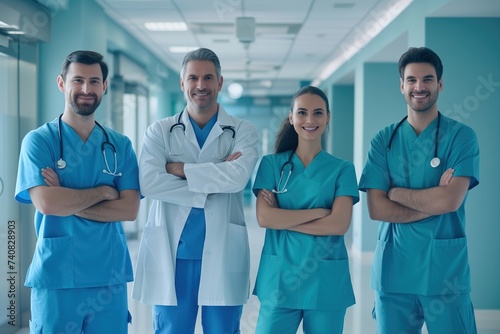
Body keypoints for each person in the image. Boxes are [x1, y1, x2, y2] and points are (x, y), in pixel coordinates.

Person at [132, 47, 258, 334]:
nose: (201, 85)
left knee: (223, 330)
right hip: (172, 255)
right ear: (182, 83)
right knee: (171, 330)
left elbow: (237, 179)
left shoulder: (242, 130)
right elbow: (150, 183)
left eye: (208, 78)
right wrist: (214, 180)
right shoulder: (159, 131)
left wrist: (179, 169)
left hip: (223, 250)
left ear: (220, 82)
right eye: (193, 78)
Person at [14, 50, 141, 333]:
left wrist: (67, 199)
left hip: (108, 277)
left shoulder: (120, 145)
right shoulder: (39, 142)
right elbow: (47, 204)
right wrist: (102, 192)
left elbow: (129, 210)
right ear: (62, 83)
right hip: (57, 276)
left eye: (94, 81)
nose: (86, 89)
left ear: (104, 86)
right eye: (78, 80)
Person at [359, 47, 480, 333]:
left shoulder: (462, 137)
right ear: (402, 85)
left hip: (444, 275)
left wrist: (396, 193)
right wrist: (431, 201)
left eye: (427, 79)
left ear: (440, 84)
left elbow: (449, 201)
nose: (419, 87)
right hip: (393, 274)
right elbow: (377, 209)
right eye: (411, 80)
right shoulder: (383, 140)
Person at [252, 85, 359, 334]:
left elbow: (339, 225)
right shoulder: (271, 164)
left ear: (328, 117)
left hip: (325, 280)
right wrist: (319, 212)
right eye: (302, 113)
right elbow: (264, 217)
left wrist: (283, 218)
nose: (310, 120)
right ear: (291, 117)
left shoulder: (343, 169)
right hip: (280, 279)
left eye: (318, 113)